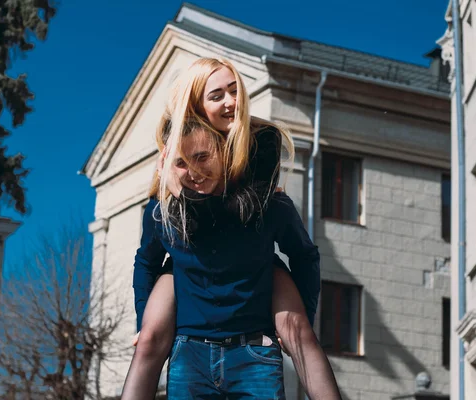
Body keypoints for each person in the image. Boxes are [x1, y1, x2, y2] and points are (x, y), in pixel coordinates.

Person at [121, 58, 341, 399]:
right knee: (159, 305)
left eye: (235, 91)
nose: (230, 102)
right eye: (217, 95)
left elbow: (305, 255)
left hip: (253, 347)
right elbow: (146, 261)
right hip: (191, 348)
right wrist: (143, 321)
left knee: (295, 323)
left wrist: (303, 316)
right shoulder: (165, 210)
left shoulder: (266, 195)